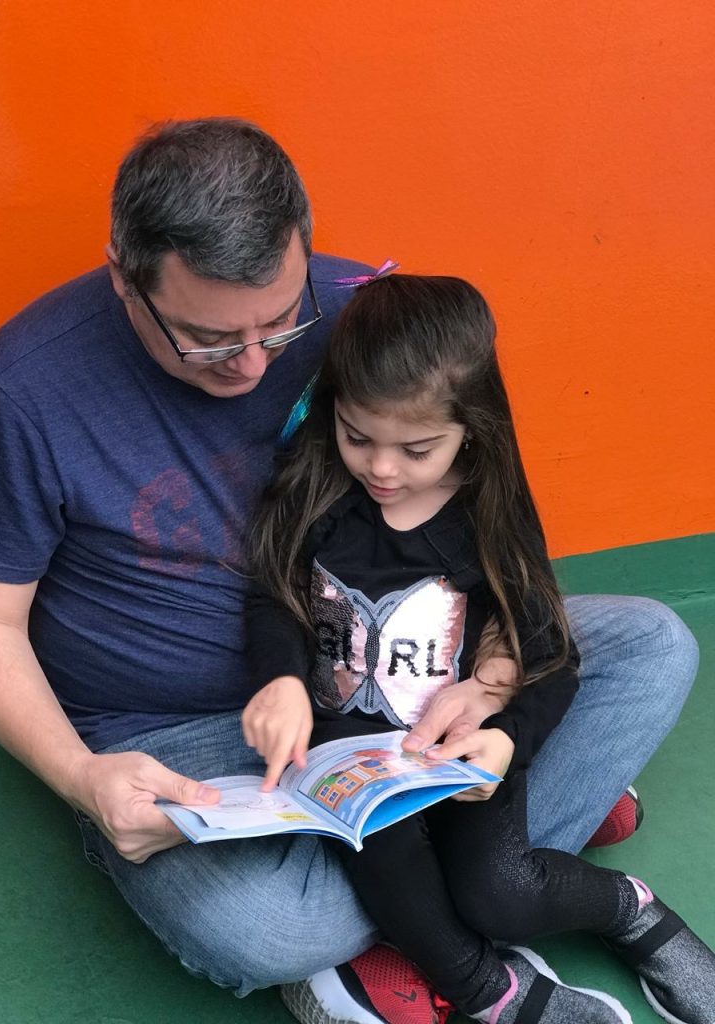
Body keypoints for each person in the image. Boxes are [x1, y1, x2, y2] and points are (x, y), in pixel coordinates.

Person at [0, 119, 700, 1021]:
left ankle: (454, 873)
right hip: (176, 728)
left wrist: (499, 674)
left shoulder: (353, 311)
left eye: (280, 323)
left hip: (401, 676)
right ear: (125, 278)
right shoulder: (24, 390)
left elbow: (486, 519)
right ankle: (481, 867)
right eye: (209, 341)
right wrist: (82, 776)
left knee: (652, 645)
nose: (253, 363)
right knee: (266, 931)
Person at [242, 273, 715, 1024]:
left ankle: (629, 910)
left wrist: (504, 739)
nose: (382, 468)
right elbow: (274, 595)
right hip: (349, 760)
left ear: (471, 429)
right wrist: (280, 682)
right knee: (389, 860)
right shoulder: (316, 489)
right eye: (358, 436)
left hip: (455, 752)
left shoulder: (485, 515)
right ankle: (486, 992)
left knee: (499, 894)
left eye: (417, 448)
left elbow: (550, 657)